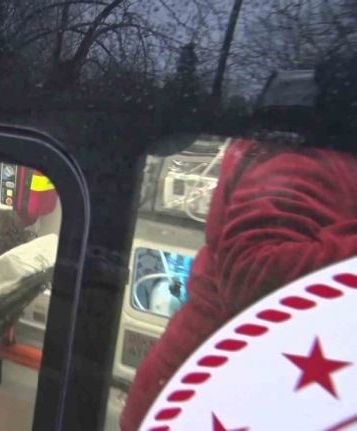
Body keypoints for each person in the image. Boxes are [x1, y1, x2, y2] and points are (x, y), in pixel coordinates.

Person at [121, 51, 357, 430]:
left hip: (209, 389)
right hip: (202, 403)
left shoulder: (292, 150)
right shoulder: (303, 159)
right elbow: (253, 273)